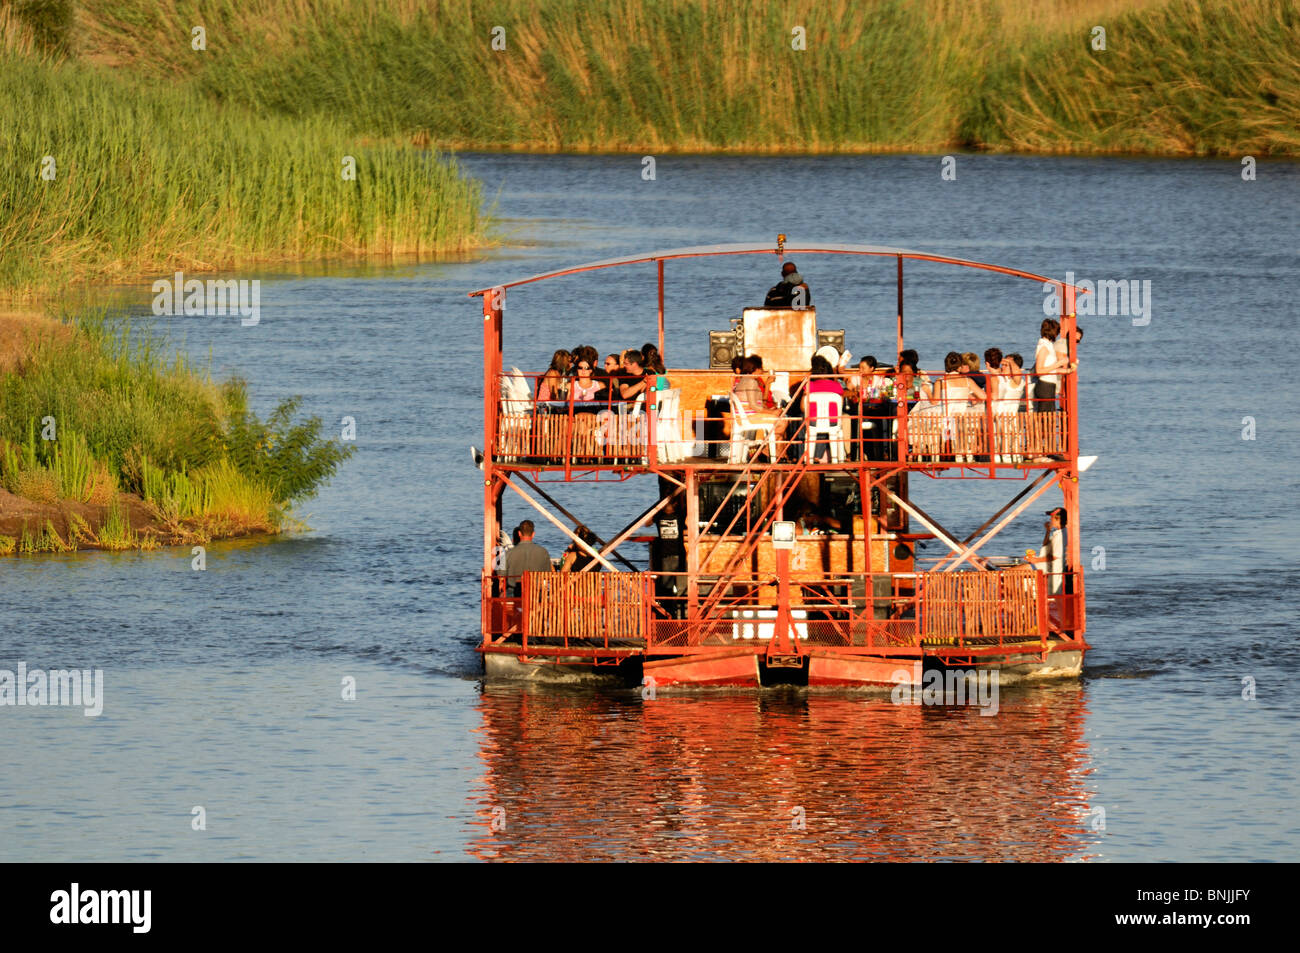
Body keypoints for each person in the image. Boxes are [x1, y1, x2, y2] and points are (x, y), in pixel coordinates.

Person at [803, 352, 845, 462]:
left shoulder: (809, 385)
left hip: (812, 422)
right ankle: (837, 457)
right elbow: (842, 406)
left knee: (801, 421)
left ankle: (806, 456)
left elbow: (803, 408)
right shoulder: (837, 386)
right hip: (833, 423)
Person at [1026, 507, 1068, 595]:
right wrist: (1048, 531)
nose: (1050, 520)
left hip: (1049, 568)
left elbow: (1055, 556)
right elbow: (1045, 544)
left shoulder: (1062, 536)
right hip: (1044, 565)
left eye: (1051, 518)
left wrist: (1036, 560)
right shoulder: (1057, 533)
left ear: (1058, 519)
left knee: (1015, 571)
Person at [503, 520, 551, 596]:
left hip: (514, 593)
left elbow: (501, 574)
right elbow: (547, 574)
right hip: (535, 594)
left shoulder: (508, 553)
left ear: (519, 534)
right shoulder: (543, 552)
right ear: (533, 534)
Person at [1033, 319, 1067, 412]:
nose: (1058, 334)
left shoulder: (1049, 345)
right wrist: (1058, 364)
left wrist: (1067, 371)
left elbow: (1050, 369)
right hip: (1045, 386)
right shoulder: (1044, 346)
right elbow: (1039, 371)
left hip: (1049, 386)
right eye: (1057, 331)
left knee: (1050, 417)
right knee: (1046, 418)